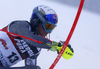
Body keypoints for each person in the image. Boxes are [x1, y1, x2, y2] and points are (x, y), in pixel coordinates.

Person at [0, 5, 74, 69]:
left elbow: (31, 66)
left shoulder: (36, 49)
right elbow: (31, 39)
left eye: (51, 28)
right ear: (36, 21)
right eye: (47, 26)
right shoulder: (19, 25)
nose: (48, 31)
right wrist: (56, 46)